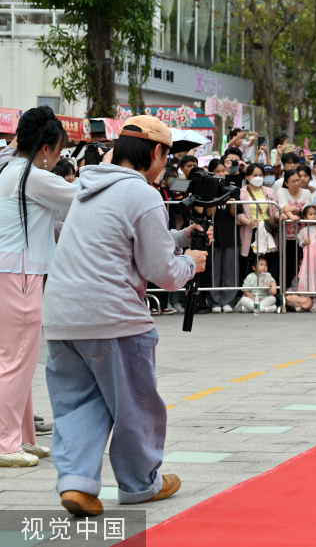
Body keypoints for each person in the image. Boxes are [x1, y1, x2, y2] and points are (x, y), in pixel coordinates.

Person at [42, 116, 208, 515]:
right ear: (156, 152)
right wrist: (191, 262)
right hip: (114, 317)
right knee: (136, 404)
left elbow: (113, 241)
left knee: (79, 403)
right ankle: (139, 483)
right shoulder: (143, 195)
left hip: (63, 315)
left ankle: (77, 483)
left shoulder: (85, 187)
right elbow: (163, 273)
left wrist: (181, 239)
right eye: (166, 156)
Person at [0, 109, 78, 469]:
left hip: (14, 272)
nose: (60, 158)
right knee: (17, 360)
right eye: (59, 151)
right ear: (45, 148)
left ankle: (22, 437)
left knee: (19, 360)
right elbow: (78, 195)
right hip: (21, 275)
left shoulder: (8, 169)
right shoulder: (33, 176)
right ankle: (6, 442)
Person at [237, 163, 282, 286]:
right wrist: (248, 222)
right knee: (248, 263)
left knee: (268, 262)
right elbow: (238, 214)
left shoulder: (270, 191)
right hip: (250, 232)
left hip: (267, 232)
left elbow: (275, 210)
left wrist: (279, 216)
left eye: (260, 175)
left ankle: (269, 290)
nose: (258, 178)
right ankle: (246, 292)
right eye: (255, 175)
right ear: (247, 177)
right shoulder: (241, 193)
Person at [205, 159, 239, 313]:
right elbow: (209, 213)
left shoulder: (231, 188)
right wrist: (214, 200)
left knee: (229, 270)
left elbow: (234, 213)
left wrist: (231, 202)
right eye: (217, 171)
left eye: (222, 171)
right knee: (215, 270)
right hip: (214, 234)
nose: (220, 174)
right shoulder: (209, 190)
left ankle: (227, 300)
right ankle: (214, 301)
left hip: (230, 234)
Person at [276, 169, 314, 289]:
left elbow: (307, 210)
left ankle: (303, 289)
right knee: (287, 263)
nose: (297, 183)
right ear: (286, 183)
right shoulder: (281, 191)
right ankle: (286, 290)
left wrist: (293, 210)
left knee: (302, 263)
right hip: (288, 234)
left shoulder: (307, 192)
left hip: (303, 234)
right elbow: (282, 207)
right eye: (293, 181)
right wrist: (293, 216)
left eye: (298, 180)